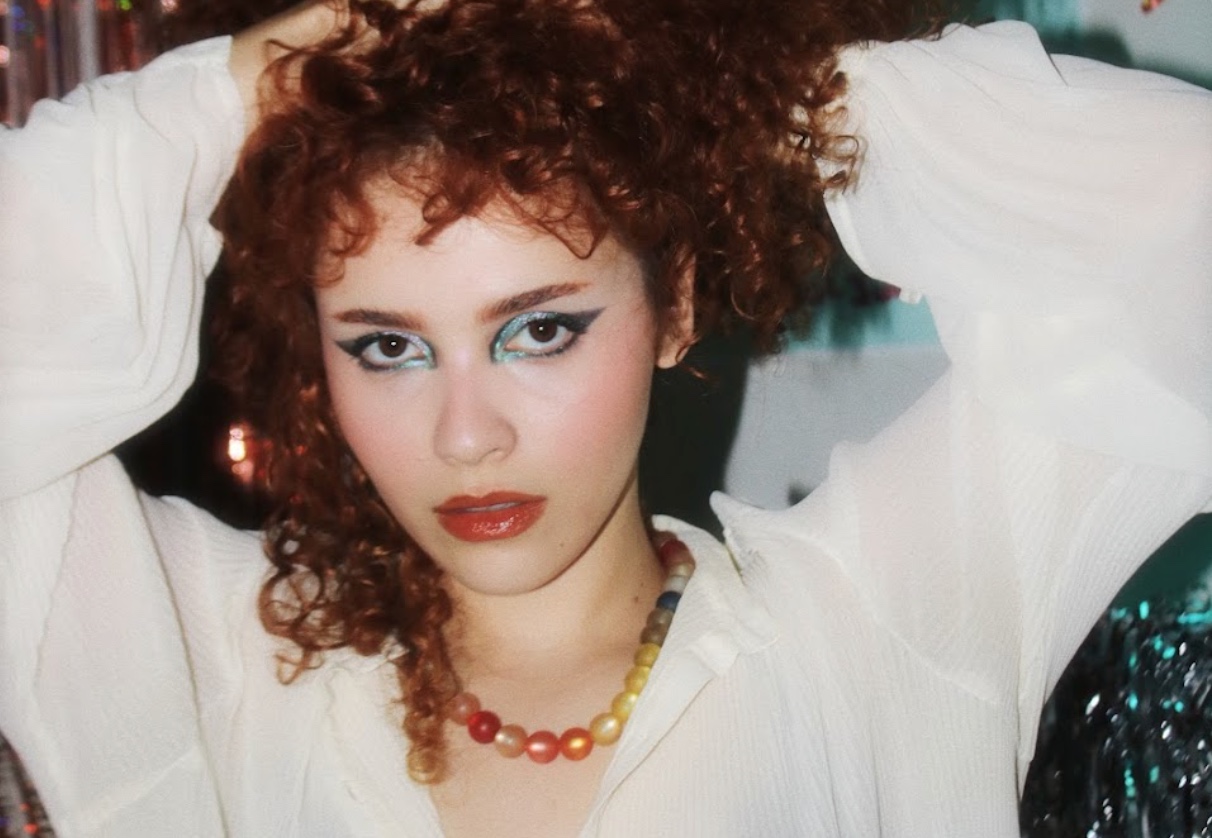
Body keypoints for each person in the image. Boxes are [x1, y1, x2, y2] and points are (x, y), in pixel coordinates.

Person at [1, 0, 1209, 835]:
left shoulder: (888, 619)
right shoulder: (206, 671)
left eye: (538, 331)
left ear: (674, 303)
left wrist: (756, 94)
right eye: (389, 347)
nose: (466, 434)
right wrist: (249, 86)